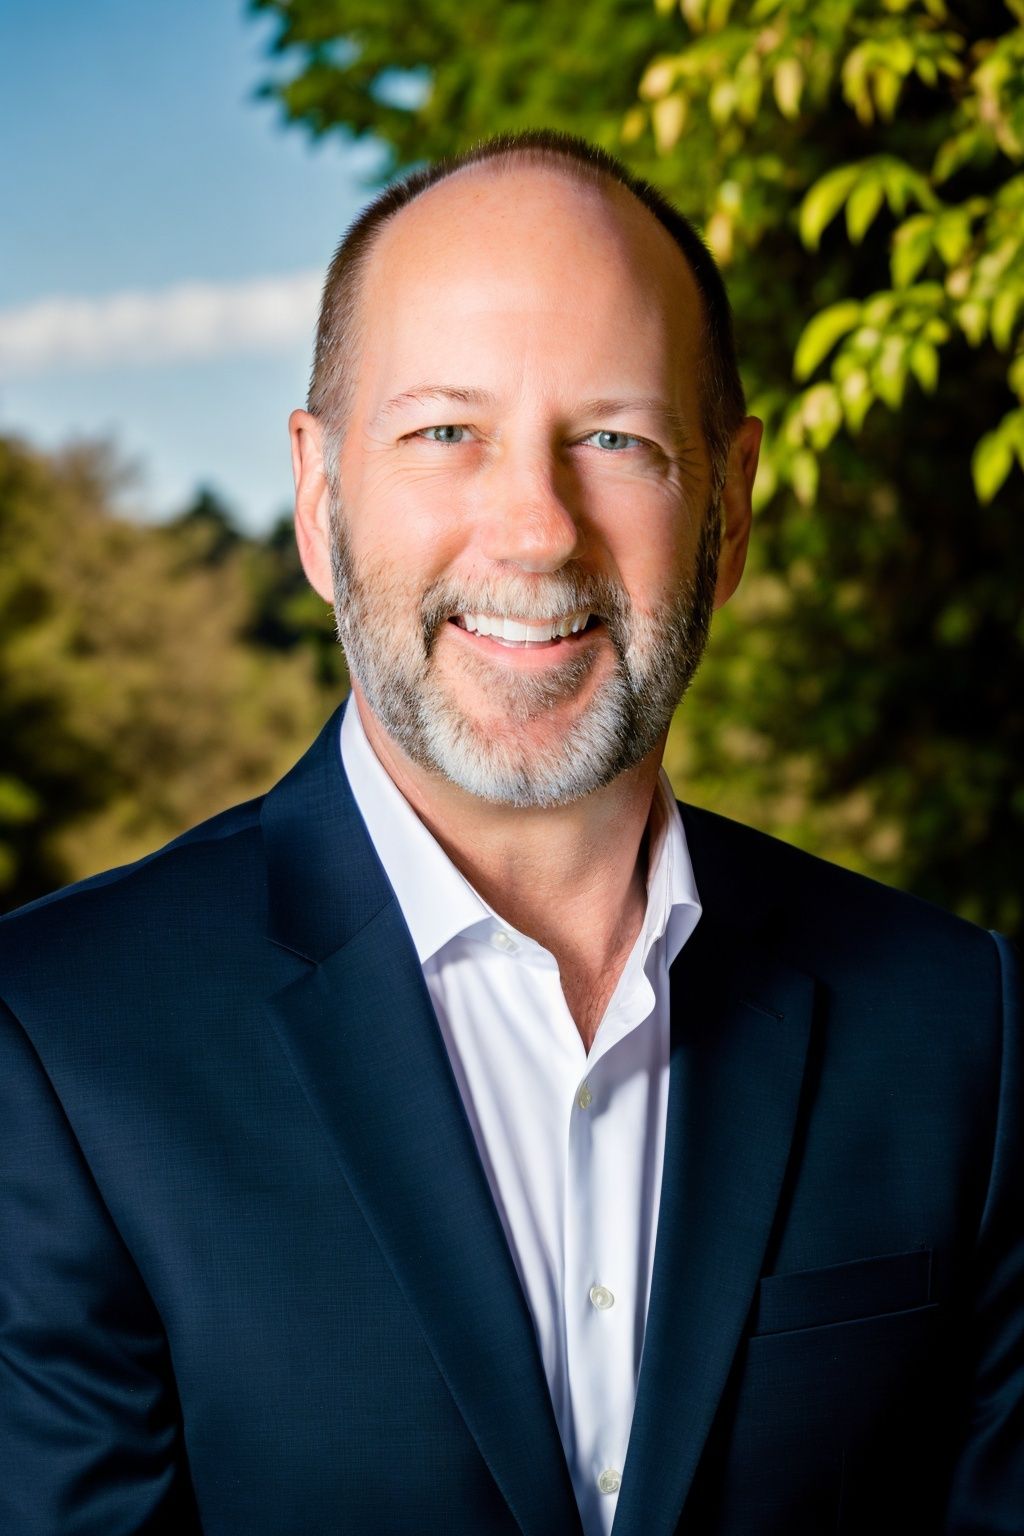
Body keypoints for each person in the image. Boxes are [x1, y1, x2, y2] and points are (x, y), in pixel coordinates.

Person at [0, 129, 1020, 1536]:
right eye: (443, 433)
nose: (535, 532)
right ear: (319, 495)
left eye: (614, 438)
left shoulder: (963, 1024)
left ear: (729, 508)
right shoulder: (54, 1045)